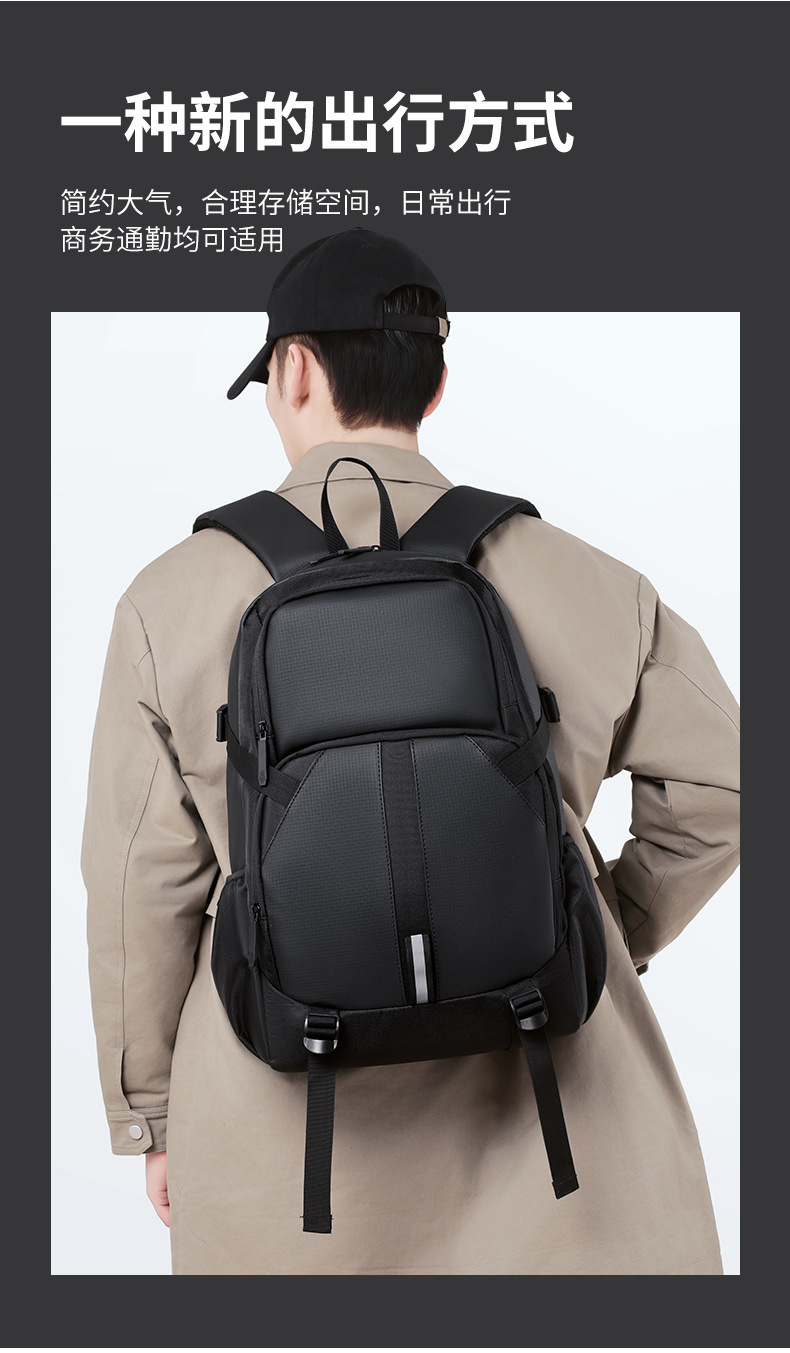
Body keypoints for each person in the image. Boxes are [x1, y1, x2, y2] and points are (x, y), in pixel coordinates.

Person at [83, 227, 740, 1276]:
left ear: (293, 370)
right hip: (567, 1146)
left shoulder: (170, 602)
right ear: (434, 386)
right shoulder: (587, 579)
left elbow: (139, 883)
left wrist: (152, 1113)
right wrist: (593, 921)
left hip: (290, 1155)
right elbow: (725, 784)